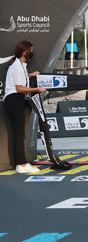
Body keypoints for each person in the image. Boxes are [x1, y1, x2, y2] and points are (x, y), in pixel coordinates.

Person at [3, 41, 47, 173]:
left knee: (19, 133)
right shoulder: (17, 65)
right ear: (24, 52)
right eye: (31, 50)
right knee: (19, 134)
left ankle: (21, 164)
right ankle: (21, 165)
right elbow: (19, 88)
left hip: (15, 100)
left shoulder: (20, 65)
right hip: (14, 100)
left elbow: (20, 80)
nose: (32, 52)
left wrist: (31, 75)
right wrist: (37, 89)